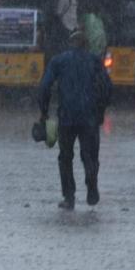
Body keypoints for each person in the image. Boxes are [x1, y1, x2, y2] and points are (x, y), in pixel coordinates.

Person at [38, 31, 112, 210]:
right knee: (90, 156)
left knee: (65, 157)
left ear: (71, 43)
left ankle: (69, 197)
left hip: (67, 117)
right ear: (86, 44)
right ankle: (91, 185)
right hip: (90, 117)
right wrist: (101, 110)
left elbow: (45, 86)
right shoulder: (94, 61)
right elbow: (107, 87)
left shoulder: (59, 61)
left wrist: (44, 111)